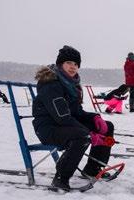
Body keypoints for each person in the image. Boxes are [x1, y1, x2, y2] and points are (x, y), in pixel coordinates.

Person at [32, 45, 115, 191]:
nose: (73, 67)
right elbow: (62, 117)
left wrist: (95, 118)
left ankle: (93, 169)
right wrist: (88, 132)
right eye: (69, 63)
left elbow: (76, 112)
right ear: (60, 64)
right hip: (49, 129)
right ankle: (61, 178)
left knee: (107, 126)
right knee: (82, 136)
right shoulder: (50, 84)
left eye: (76, 64)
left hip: (64, 126)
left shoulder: (71, 85)